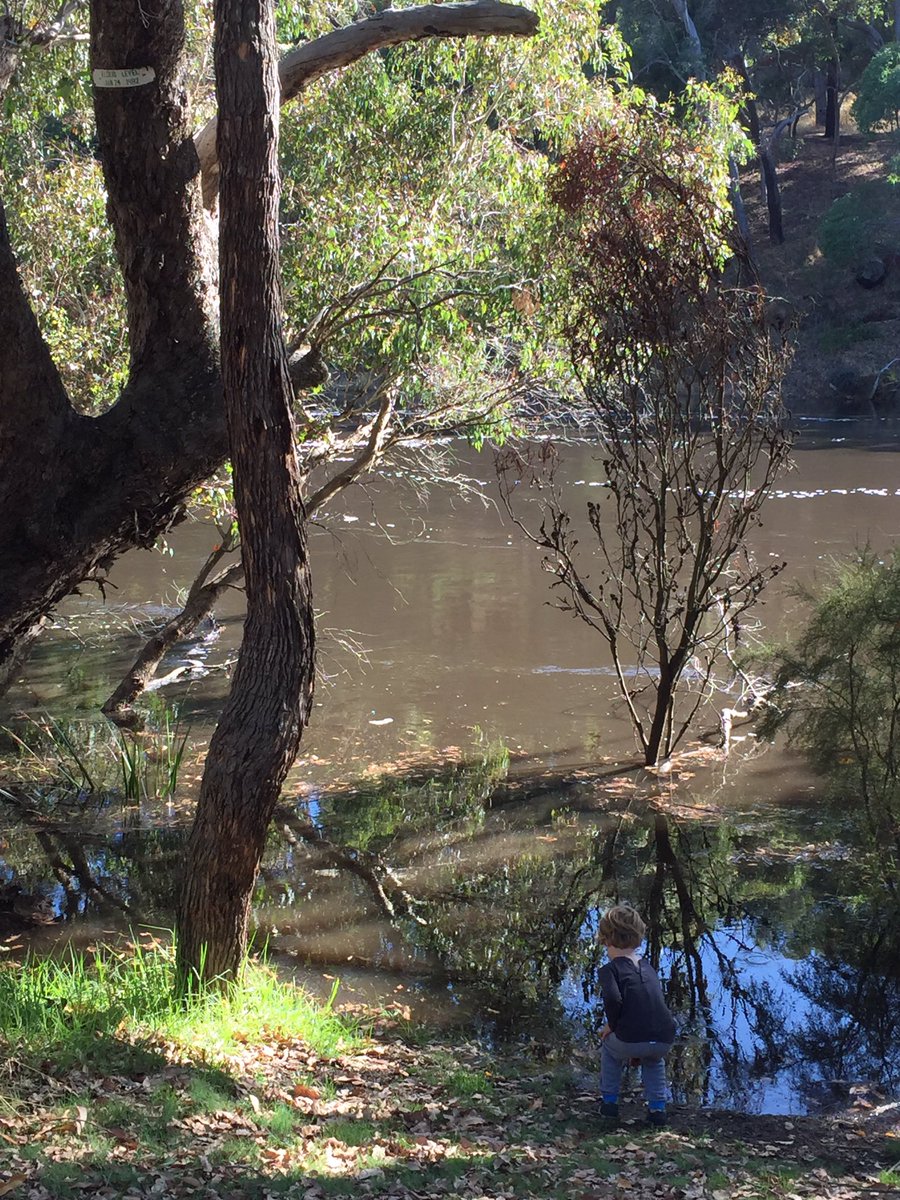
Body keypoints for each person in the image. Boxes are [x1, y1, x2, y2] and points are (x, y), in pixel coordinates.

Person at [596, 904, 676, 1127]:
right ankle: (657, 1109)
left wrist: (612, 1026)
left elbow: (613, 1000)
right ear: (638, 936)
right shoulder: (648, 967)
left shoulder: (609, 970)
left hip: (631, 1039)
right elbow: (652, 1003)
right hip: (663, 1038)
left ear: (605, 939)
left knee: (610, 1049)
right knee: (653, 1059)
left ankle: (609, 1104)